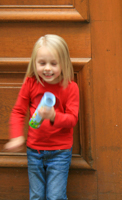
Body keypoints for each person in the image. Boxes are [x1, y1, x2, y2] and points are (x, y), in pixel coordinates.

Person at [4, 34, 79, 200]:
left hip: (60, 151)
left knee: (56, 196)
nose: (47, 68)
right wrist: (16, 136)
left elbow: (72, 119)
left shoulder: (70, 87)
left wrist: (53, 116)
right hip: (34, 150)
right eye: (42, 63)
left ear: (63, 63)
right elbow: (18, 111)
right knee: (36, 195)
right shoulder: (31, 83)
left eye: (53, 63)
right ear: (34, 63)